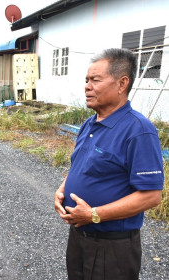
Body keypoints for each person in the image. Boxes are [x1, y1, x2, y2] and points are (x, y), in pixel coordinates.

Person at [54, 48, 164, 280]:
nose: (87, 86)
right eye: (86, 80)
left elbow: (151, 196)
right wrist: (63, 188)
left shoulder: (138, 130)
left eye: (95, 80)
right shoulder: (88, 124)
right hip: (79, 237)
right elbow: (81, 166)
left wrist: (94, 214)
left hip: (112, 247)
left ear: (122, 83)